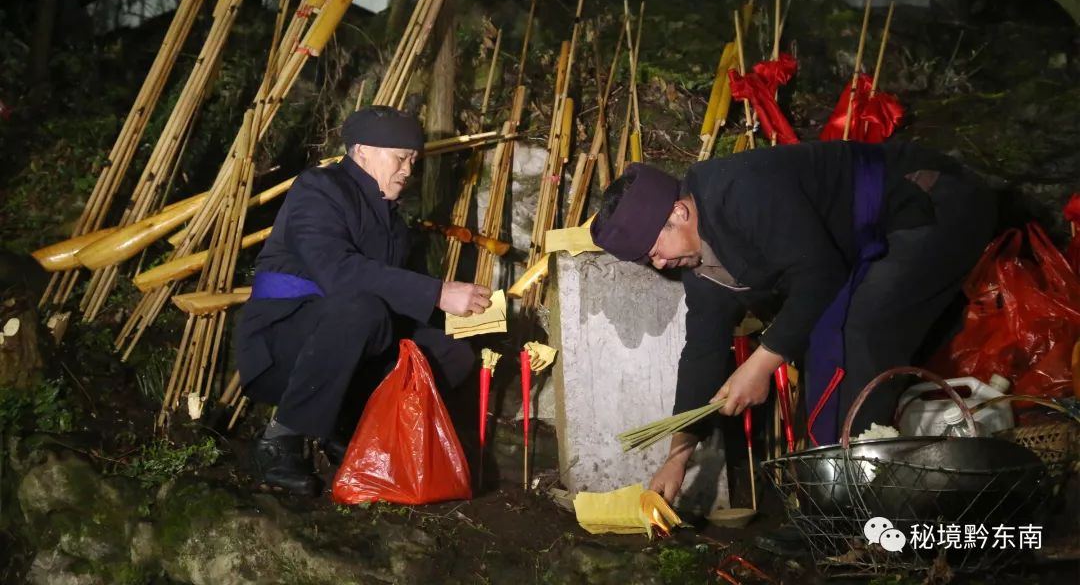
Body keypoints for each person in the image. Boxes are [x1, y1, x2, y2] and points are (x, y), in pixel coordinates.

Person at [590, 141, 995, 503]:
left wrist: (760, 365)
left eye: (654, 251)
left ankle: (864, 499)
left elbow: (819, 275)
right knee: (823, 342)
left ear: (679, 212)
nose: (659, 264)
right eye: (648, 262)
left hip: (929, 201)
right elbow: (702, 353)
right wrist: (678, 457)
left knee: (862, 331)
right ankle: (833, 501)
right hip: (875, 239)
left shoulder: (741, 190)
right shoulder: (700, 268)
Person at [235, 107, 493, 496]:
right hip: (283, 346)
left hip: (349, 338)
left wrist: (466, 317)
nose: (407, 170)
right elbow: (337, 272)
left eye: (412, 161)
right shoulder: (319, 189)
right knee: (360, 309)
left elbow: (397, 300)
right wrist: (438, 292)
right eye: (400, 158)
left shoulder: (391, 222)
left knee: (450, 352)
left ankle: (356, 427)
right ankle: (281, 437)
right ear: (362, 151)